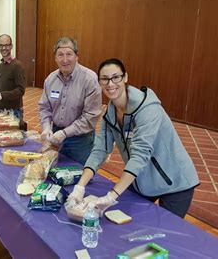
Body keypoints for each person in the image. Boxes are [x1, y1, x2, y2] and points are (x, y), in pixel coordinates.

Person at [67, 58, 200, 218]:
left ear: (125, 77)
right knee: (128, 220)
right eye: (105, 79)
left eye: (116, 77)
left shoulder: (148, 109)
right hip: (142, 181)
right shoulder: (110, 114)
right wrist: (80, 187)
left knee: (165, 234)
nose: (110, 84)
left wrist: (111, 196)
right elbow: (99, 151)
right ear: (100, 82)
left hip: (175, 182)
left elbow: (139, 156)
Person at [38, 37, 102, 165]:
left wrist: (65, 133)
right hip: (55, 136)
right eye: (60, 55)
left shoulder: (89, 79)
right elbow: (44, 107)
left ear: (76, 56)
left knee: (78, 175)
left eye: (69, 54)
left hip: (80, 140)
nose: (65, 59)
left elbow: (90, 116)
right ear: (55, 58)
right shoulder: (50, 79)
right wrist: (46, 128)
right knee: (55, 173)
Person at [0, 34, 26, 119]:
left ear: (11, 46)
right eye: (1, 45)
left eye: (6, 45)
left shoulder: (17, 66)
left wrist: (2, 95)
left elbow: (20, 90)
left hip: (14, 111)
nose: (3, 48)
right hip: (1, 109)